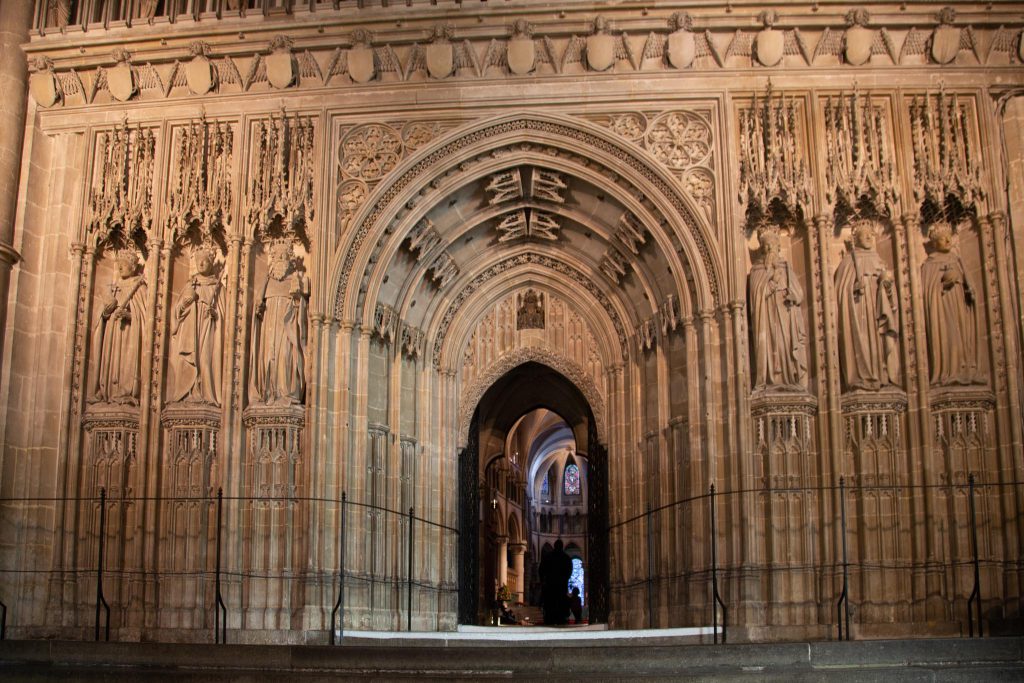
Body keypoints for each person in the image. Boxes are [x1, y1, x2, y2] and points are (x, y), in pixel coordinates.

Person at [835, 219, 901, 391]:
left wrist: (886, 286)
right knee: (861, 341)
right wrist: (853, 288)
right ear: (855, 238)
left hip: (876, 312)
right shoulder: (847, 263)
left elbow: (891, 299)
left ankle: (881, 375)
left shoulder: (879, 262)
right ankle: (861, 376)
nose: (869, 237)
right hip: (857, 312)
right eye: (865, 234)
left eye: (871, 234)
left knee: (878, 344)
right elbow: (840, 295)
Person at [747, 222, 808, 391]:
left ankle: (789, 379)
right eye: (766, 245)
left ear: (778, 246)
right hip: (767, 318)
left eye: (772, 245)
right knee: (770, 346)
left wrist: (793, 296)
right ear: (762, 248)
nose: (769, 248)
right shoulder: (757, 270)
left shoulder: (786, 268)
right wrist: (772, 282)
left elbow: (799, 292)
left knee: (785, 347)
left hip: (786, 316)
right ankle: (769, 380)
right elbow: (756, 296)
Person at [921, 222, 982, 386]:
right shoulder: (929, 264)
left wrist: (969, 291)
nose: (947, 241)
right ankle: (948, 372)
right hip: (942, 308)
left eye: (949, 238)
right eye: (942, 239)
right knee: (950, 336)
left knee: (962, 336)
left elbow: (968, 284)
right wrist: (945, 283)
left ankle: (966, 369)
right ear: (934, 243)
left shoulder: (957, 260)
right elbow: (928, 292)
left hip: (959, 306)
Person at [250, 240, 309, 405]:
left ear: (290, 260)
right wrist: (258, 309)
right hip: (269, 330)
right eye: (276, 256)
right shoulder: (266, 283)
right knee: (268, 357)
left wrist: (297, 299)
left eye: (283, 256)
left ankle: (285, 392)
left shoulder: (294, 281)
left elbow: (302, 314)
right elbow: (258, 311)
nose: (280, 259)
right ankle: (268, 391)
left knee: (285, 357)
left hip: (286, 330)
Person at [169, 246, 225, 405]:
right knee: (188, 362)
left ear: (211, 262)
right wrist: (184, 305)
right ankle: (189, 392)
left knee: (205, 361)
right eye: (198, 260)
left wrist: (215, 314)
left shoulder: (218, 287)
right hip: (189, 332)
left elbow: (225, 318)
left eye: (205, 260)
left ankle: (205, 393)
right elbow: (176, 313)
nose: (201, 263)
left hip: (208, 331)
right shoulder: (189, 285)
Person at [91, 250, 147, 405]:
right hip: (112, 333)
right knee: (110, 360)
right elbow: (100, 316)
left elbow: (145, 318)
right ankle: (107, 391)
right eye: (119, 264)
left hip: (129, 334)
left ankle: (126, 391)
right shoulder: (113, 288)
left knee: (126, 362)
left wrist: (129, 316)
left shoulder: (140, 288)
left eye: (125, 264)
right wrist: (106, 311)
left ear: (133, 267)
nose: (121, 267)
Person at [538, 540, 572, 625]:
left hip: (550, 585)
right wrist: (565, 579)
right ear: (562, 546)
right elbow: (569, 570)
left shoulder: (548, 557)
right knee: (560, 605)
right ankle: (560, 619)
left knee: (550, 606)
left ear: (554, 545)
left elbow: (541, 570)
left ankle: (550, 620)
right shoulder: (566, 557)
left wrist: (543, 581)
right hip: (561, 586)